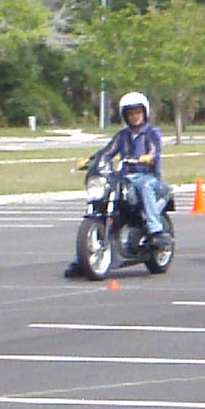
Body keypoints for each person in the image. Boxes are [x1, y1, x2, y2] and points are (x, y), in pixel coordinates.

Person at [63, 91, 168, 278]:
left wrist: (148, 157)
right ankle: (81, 259)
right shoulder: (122, 136)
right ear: (125, 116)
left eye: (138, 112)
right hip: (126, 178)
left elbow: (155, 150)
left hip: (148, 178)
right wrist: (91, 160)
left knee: (144, 187)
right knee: (103, 204)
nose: (134, 116)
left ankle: (155, 231)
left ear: (145, 113)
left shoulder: (153, 133)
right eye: (130, 113)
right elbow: (107, 152)